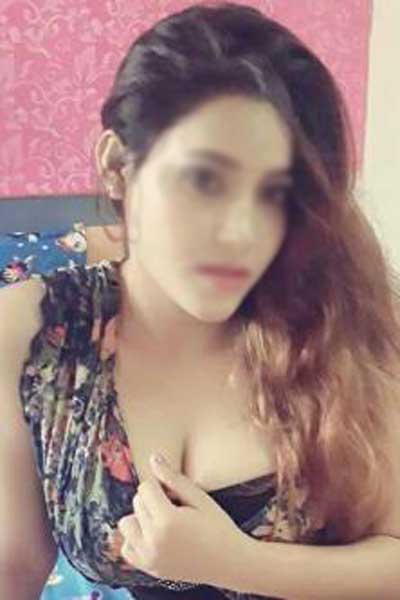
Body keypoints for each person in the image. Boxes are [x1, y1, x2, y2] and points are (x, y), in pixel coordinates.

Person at [1, 2, 399, 599]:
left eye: (274, 195)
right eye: (204, 181)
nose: (242, 233)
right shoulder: (36, 337)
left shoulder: (335, 320)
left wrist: (238, 563)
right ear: (117, 166)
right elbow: (13, 568)